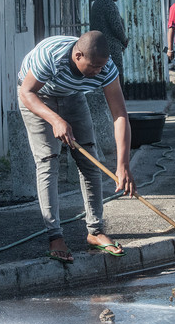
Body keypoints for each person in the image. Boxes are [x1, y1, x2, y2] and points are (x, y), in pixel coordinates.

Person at [18, 31, 136, 264]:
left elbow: (120, 114)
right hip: (38, 96)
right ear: (77, 55)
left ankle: (95, 231)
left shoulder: (106, 67)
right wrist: (55, 119)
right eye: (93, 67)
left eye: (101, 67)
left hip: (72, 96)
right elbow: (26, 93)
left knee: (90, 161)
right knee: (48, 162)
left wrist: (123, 165)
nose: (97, 73)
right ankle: (55, 237)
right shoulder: (50, 56)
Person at [90, 0, 129, 92]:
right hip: (111, 47)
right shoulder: (109, 5)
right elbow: (116, 26)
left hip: (98, 46)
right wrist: (124, 40)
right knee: (115, 75)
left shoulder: (97, 3)